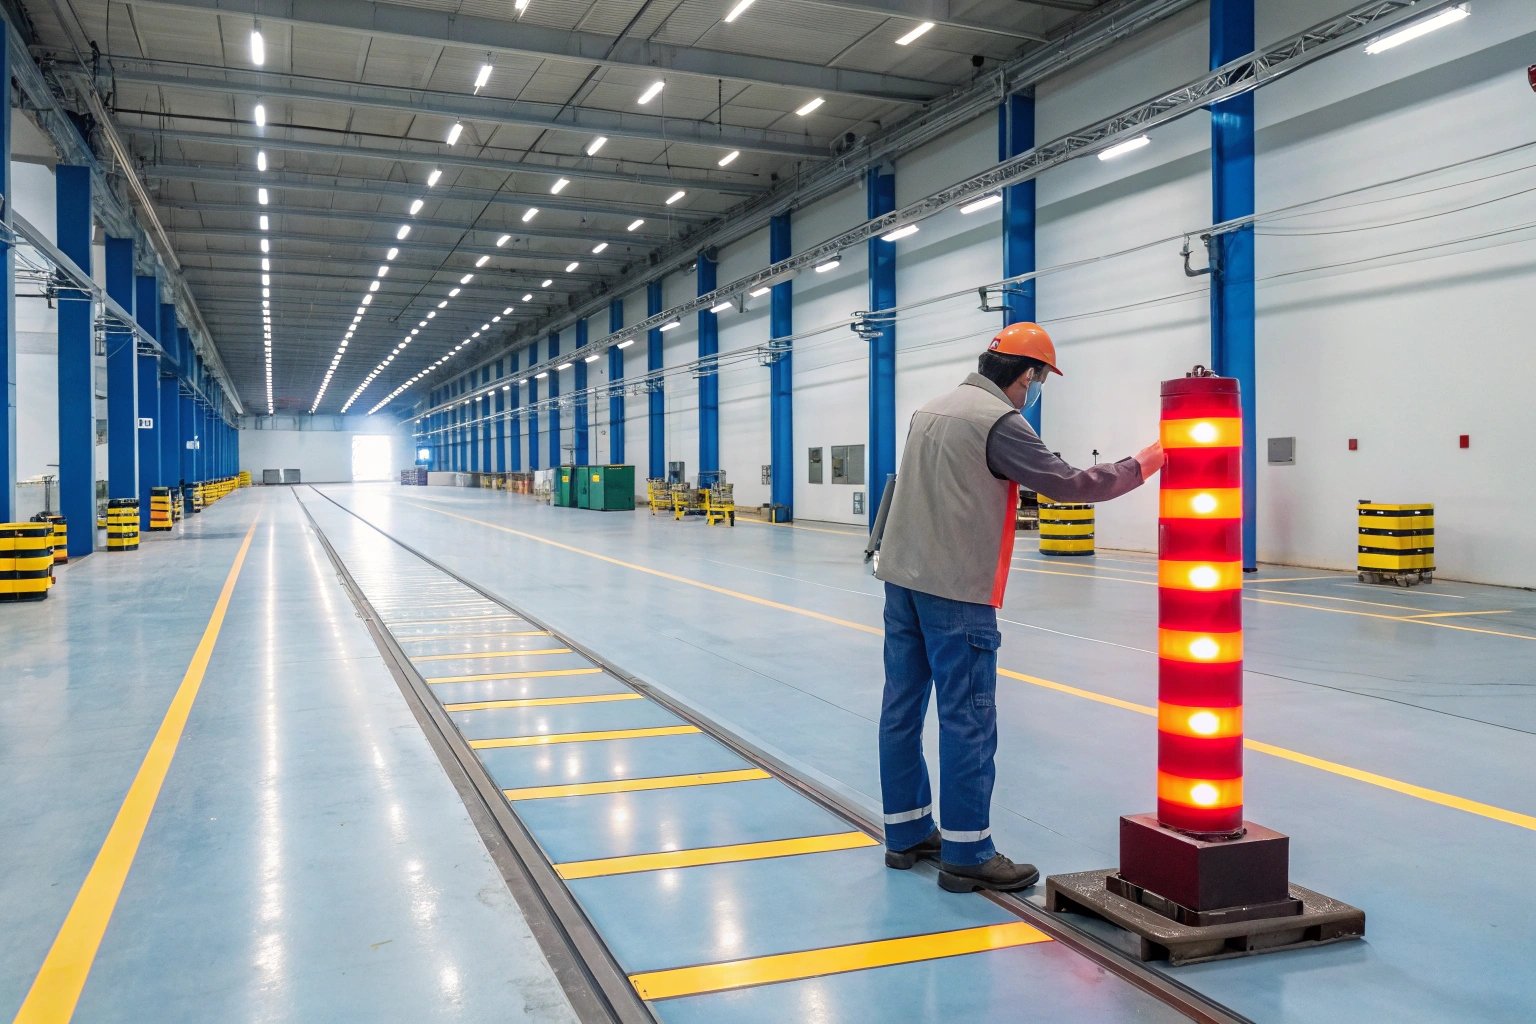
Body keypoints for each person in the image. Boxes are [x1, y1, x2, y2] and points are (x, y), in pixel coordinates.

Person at [873, 322, 1164, 893]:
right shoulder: (999, 423)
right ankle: (967, 850)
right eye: (1038, 381)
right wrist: (1144, 462)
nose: (1034, 392)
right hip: (956, 590)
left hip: (901, 579)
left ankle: (906, 833)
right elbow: (1069, 483)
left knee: (901, 709)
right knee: (968, 718)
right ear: (1027, 376)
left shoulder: (929, 411)